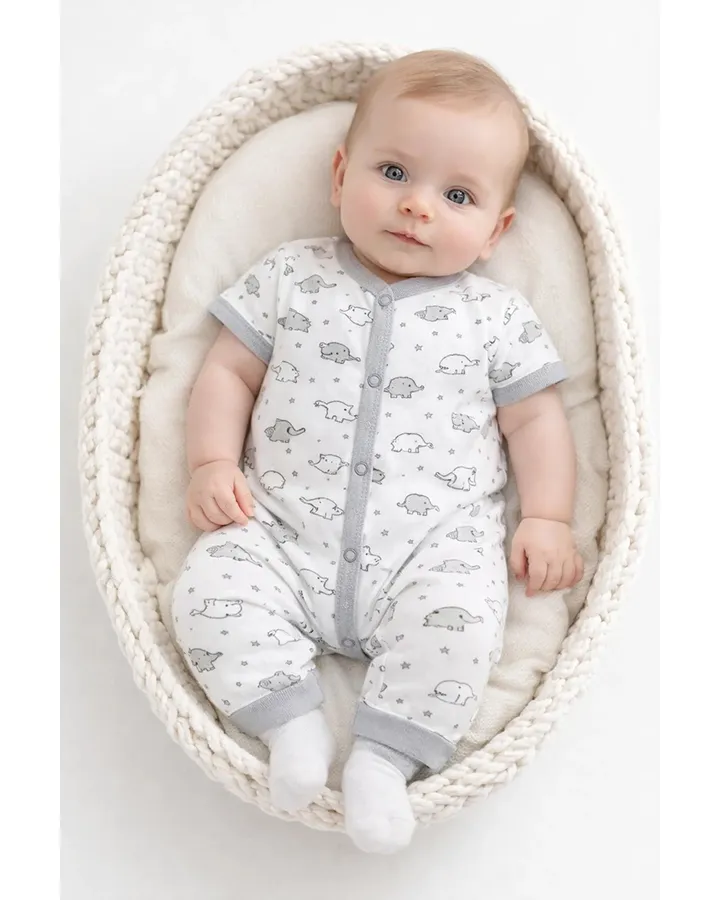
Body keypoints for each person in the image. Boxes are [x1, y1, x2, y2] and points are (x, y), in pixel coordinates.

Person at [172, 49, 583, 854]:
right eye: (393, 172)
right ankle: (289, 723)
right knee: (209, 588)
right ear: (339, 176)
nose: (417, 206)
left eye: (458, 196)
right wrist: (211, 464)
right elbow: (227, 372)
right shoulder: (290, 276)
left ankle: (384, 762)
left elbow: (538, 422)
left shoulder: (496, 318)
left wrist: (548, 516)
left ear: (496, 231)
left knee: (463, 626)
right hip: (280, 532)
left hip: (429, 554)